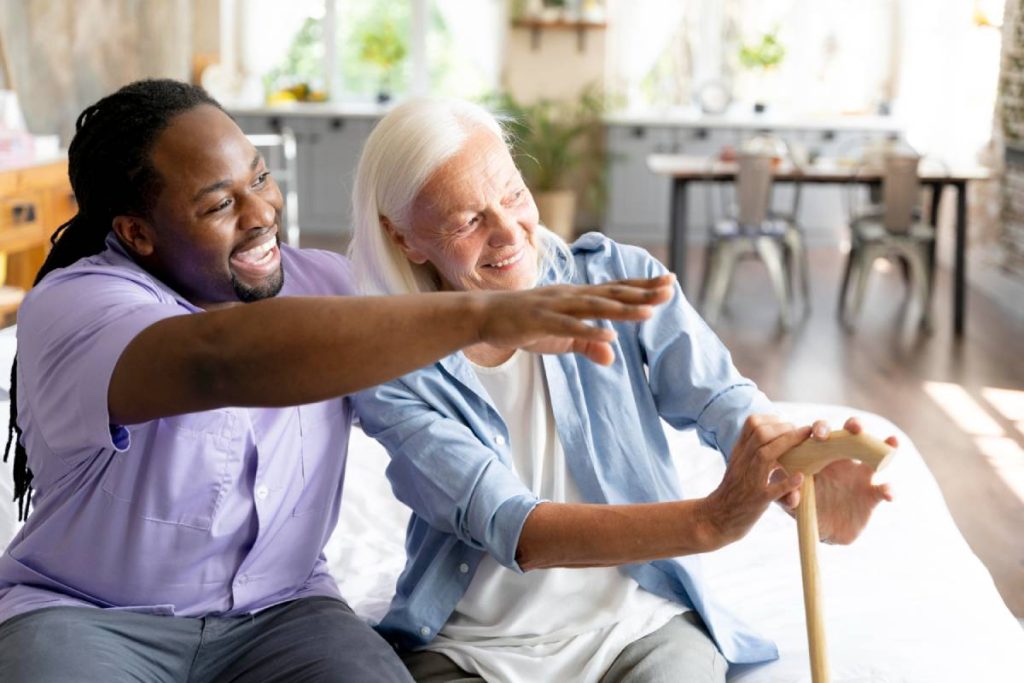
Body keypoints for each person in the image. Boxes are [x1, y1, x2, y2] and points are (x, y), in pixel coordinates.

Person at [0, 80, 676, 683]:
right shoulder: (77, 305)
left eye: (260, 178)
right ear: (136, 234)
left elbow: (434, 376)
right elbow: (219, 358)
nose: (261, 211)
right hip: (90, 615)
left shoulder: (332, 286)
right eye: (218, 205)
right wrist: (481, 313)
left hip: (285, 614)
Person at [348, 98, 899, 683]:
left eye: (512, 195)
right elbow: (514, 527)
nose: (510, 233)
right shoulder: (390, 364)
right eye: (467, 221)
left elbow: (719, 397)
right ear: (405, 239)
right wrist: (710, 521)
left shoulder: (616, 277)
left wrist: (795, 462)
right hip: (472, 647)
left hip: (640, 625)